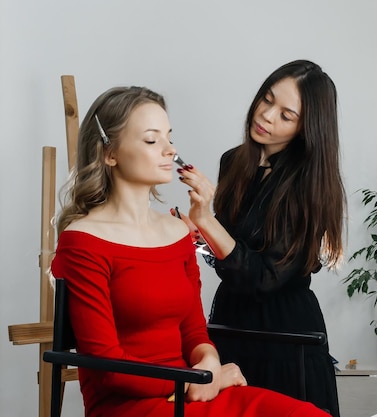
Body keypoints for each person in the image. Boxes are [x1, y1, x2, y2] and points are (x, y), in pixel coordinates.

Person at [50, 85, 331, 417]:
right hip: (134, 404)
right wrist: (199, 380)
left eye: (170, 138)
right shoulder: (82, 241)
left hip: (194, 392)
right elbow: (107, 366)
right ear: (109, 154)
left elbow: (194, 331)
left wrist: (209, 365)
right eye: (153, 140)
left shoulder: (176, 233)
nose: (170, 150)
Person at [176, 60, 345, 417]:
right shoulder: (233, 161)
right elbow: (232, 262)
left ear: (306, 128)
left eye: (286, 115)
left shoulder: (308, 184)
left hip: (284, 335)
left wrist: (208, 220)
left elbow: (264, 278)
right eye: (266, 100)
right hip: (229, 322)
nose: (266, 116)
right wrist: (197, 234)